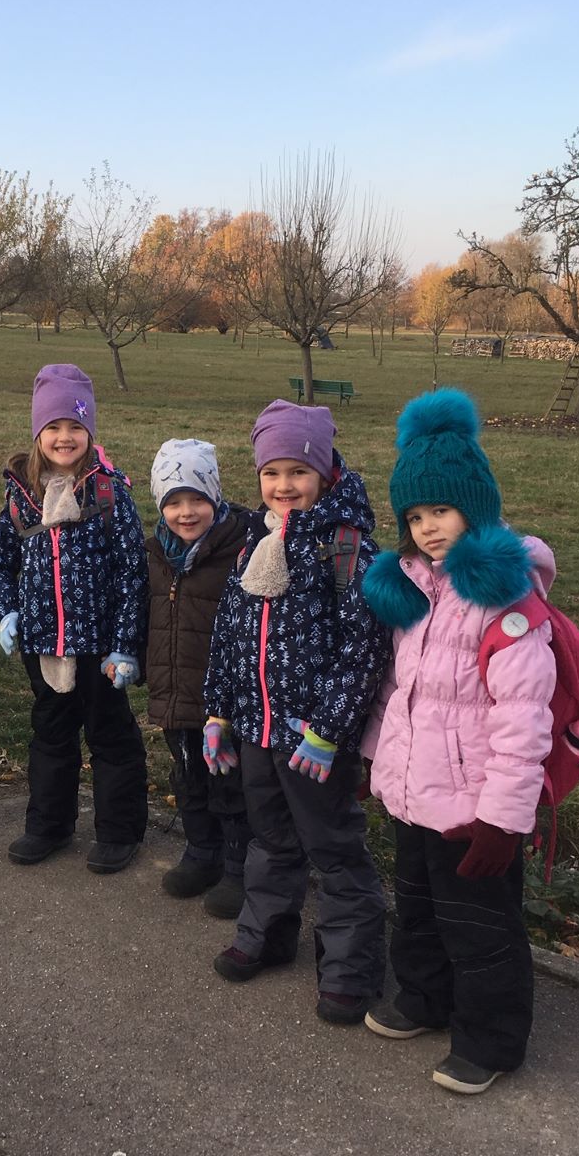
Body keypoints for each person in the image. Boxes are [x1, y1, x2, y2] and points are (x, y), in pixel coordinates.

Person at [359, 387, 557, 1095]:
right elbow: (400, 693)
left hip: (474, 807)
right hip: (414, 791)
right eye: (414, 516)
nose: (428, 528)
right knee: (416, 906)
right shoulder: (415, 588)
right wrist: (375, 761)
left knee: (480, 924)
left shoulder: (505, 603)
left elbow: (523, 723)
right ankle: (423, 996)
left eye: (440, 510)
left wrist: (504, 819)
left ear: (474, 506)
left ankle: (491, 1039)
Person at [201, 399, 389, 1025]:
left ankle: (349, 968)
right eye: (271, 473)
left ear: (326, 474)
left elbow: (363, 652)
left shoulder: (347, 551)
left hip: (314, 740)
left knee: (333, 848)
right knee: (272, 840)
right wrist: (218, 713)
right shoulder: (253, 543)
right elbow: (229, 637)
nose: (284, 486)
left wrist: (328, 730)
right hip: (257, 729)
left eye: (298, 472)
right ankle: (267, 933)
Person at [0, 364, 150, 874]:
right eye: (53, 427)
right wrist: (7, 611)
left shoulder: (109, 494)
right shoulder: (22, 498)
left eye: (75, 426)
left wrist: (125, 644)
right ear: (38, 433)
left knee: (110, 735)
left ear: (89, 432)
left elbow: (133, 573)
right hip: (43, 645)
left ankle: (119, 831)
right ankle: (49, 825)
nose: (64, 437)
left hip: (99, 646)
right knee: (51, 735)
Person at [144, 438, 251, 915]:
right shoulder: (155, 553)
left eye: (197, 499)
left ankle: (237, 864)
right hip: (173, 690)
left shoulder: (239, 550)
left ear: (215, 496)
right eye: (173, 502)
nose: (186, 513)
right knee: (187, 775)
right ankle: (201, 850)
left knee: (228, 781)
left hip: (221, 696)